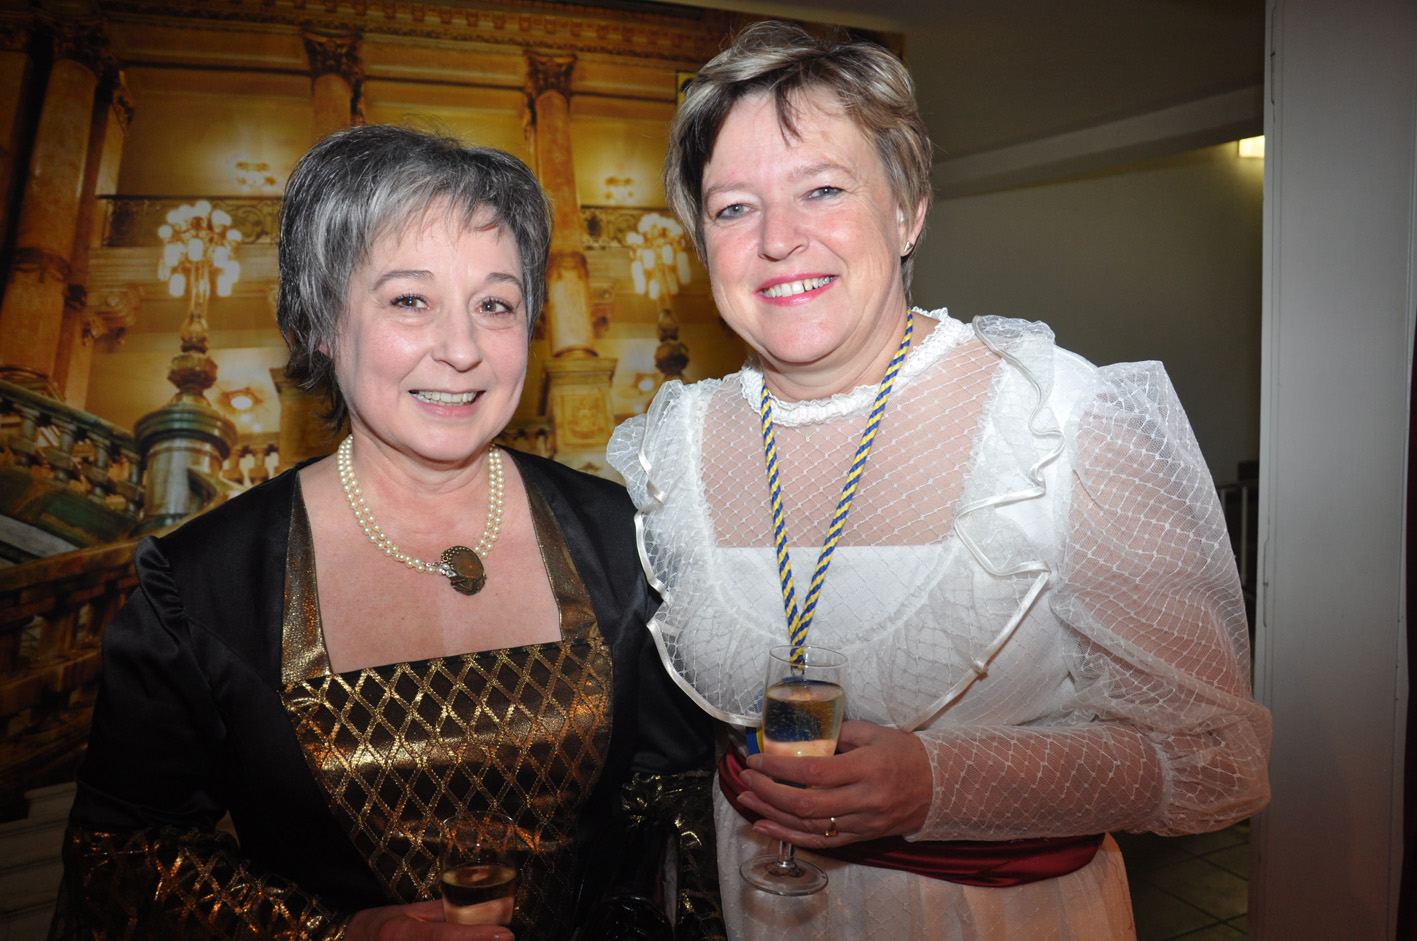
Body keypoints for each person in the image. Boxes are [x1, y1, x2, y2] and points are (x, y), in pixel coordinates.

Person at [607, 21, 1271, 940]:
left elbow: (1212, 763)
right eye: (732, 208)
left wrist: (939, 782)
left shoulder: (1057, 418)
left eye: (822, 189)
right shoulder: (673, 446)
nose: (777, 240)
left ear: (907, 211)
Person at [51, 125, 723, 941]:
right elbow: (121, 855)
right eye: (410, 300)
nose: (462, 349)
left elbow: (676, 800)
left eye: (495, 304)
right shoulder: (203, 588)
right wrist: (334, 934)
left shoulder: (625, 541)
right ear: (323, 321)